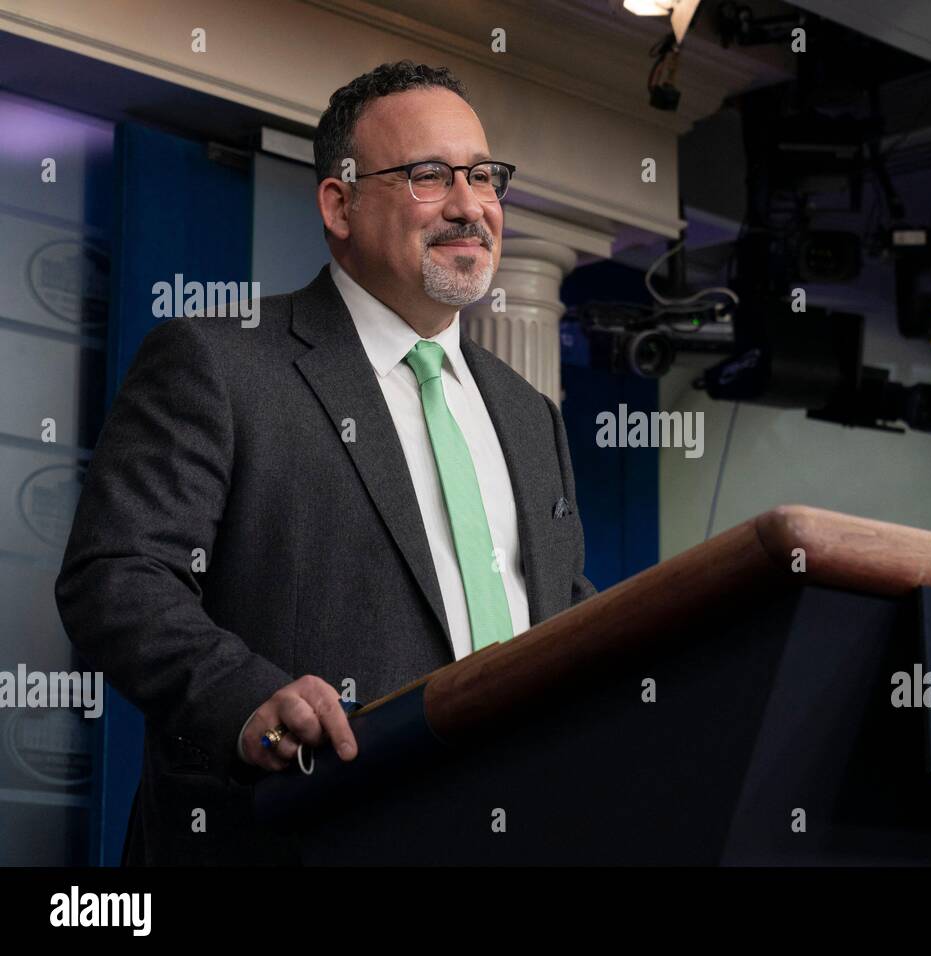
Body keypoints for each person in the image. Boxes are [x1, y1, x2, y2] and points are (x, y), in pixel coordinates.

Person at [55, 61, 597, 865]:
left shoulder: (531, 416)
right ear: (338, 204)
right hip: (294, 836)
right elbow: (118, 575)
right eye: (428, 176)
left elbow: (561, 621)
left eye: (484, 177)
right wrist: (246, 701)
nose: (469, 205)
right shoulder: (220, 362)